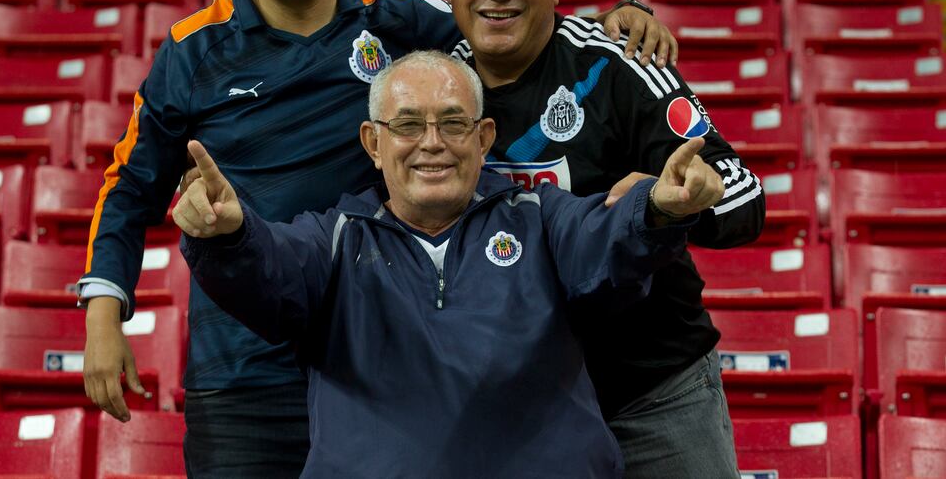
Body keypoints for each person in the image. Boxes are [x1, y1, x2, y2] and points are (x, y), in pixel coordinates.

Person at [77, 0, 677, 478]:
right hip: (247, 370)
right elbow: (131, 187)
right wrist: (104, 317)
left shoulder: (395, 18)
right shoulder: (193, 51)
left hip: (374, 364)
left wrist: (617, 18)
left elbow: (504, 16)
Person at [172, 50, 725, 478]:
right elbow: (268, 267)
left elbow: (605, 239)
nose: (432, 144)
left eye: (454, 123)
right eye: (408, 125)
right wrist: (228, 234)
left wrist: (655, 209)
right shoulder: (333, 240)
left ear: (484, 138)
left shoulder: (541, 217)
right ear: (373, 143)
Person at [444, 0, 765, 478]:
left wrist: (680, 204)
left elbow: (745, 197)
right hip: (516, 406)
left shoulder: (620, 63)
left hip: (654, 396)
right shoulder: (432, 82)